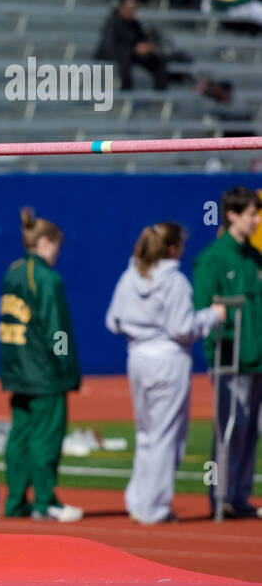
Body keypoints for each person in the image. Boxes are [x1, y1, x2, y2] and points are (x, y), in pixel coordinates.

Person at [105, 223, 225, 524]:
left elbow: (113, 321)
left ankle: (139, 500)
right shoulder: (175, 281)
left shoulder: (129, 276)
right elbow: (182, 328)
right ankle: (155, 507)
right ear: (172, 248)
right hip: (168, 360)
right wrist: (213, 315)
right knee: (165, 436)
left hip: (138, 359)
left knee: (146, 433)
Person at [0, 208, 84, 522]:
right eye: (57, 244)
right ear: (46, 242)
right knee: (46, 438)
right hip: (44, 373)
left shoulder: (13, 271)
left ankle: (16, 501)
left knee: (20, 437)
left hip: (17, 370)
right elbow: (57, 329)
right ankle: (45, 501)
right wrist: (68, 369)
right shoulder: (47, 278)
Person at [192, 187, 262, 518]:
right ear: (232, 215)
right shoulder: (213, 259)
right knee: (228, 430)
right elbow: (202, 312)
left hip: (257, 358)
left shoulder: (254, 257)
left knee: (251, 431)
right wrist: (214, 358)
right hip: (231, 360)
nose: (257, 220)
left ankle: (239, 495)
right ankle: (220, 496)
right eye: (251, 213)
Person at [94, 0, 171, 90]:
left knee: (158, 61)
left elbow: (141, 40)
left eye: (135, 8)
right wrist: (134, 50)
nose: (133, 11)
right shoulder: (111, 23)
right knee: (125, 58)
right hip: (115, 55)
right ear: (121, 7)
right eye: (130, 8)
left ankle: (160, 96)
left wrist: (148, 46)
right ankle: (126, 92)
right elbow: (109, 47)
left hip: (131, 54)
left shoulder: (135, 24)